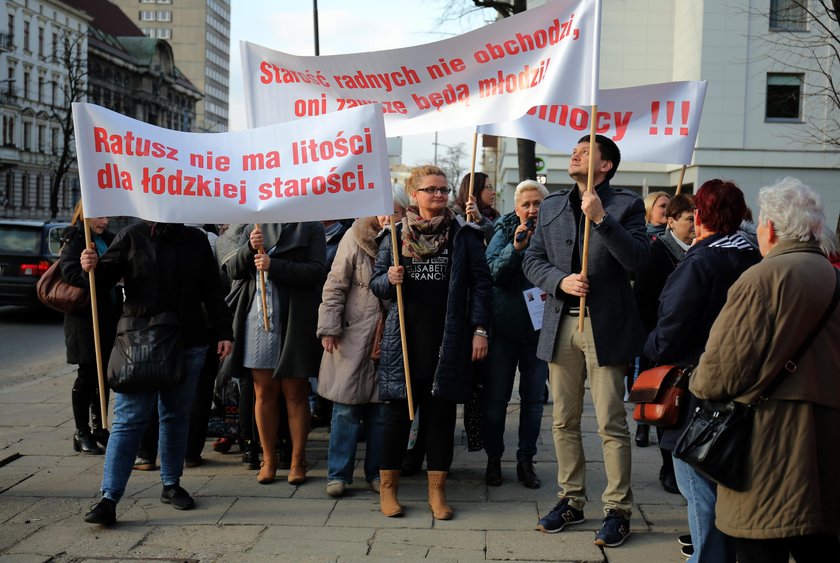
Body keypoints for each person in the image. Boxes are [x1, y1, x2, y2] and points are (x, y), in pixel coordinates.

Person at [690, 178, 840, 563]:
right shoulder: (832, 276)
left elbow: (719, 374)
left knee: (761, 546)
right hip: (825, 442)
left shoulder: (761, 278)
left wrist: (695, 380)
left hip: (767, 447)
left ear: (770, 228)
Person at [523, 134, 649, 547]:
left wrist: (600, 219)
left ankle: (617, 509)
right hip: (561, 323)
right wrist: (559, 281)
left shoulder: (625, 204)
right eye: (574, 150)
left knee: (611, 421)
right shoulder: (554, 205)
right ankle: (571, 499)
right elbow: (532, 259)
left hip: (605, 325)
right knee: (563, 419)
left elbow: (637, 262)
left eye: (584, 151)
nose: (574, 154)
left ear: (606, 166)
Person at [80, 222, 233, 525]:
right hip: (141, 342)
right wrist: (90, 268)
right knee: (128, 419)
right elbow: (101, 284)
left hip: (189, 342)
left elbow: (212, 289)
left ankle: (171, 483)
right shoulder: (131, 236)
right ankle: (109, 497)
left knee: (176, 416)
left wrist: (223, 332)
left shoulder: (196, 239)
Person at [644, 180, 760, 563]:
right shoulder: (755, 255)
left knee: (696, 486)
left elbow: (668, 336)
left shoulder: (700, 261)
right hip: (749, 387)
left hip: (698, 391)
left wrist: (644, 346)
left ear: (700, 216)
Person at [370, 165, 492, 520]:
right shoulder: (393, 236)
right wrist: (387, 278)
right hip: (404, 340)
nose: (438, 195)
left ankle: (436, 493)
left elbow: (481, 285)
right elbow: (375, 283)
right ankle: (388, 490)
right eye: (430, 189)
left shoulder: (464, 235)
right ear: (414, 195)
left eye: (443, 189)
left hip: (448, 338)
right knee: (396, 417)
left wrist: (480, 329)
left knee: (440, 418)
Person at [226, 222, 326, 485]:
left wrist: (274, 265)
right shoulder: (252, 227)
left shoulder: (311, 226)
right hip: (259, 317)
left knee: (295, 391)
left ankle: (297, 459)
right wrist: (249, 247)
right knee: (263, 390)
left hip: (295, 318)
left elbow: (316, 271)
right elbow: (234, 270)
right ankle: (268, 459)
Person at [317, 212, 397, 497]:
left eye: (396, 210)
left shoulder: (407, 240)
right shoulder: (355, 236)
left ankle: (376, 472)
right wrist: (329, 326)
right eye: (385, 210)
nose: (389, 216)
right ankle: (338, 474)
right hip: (353, 333)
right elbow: (336, 282)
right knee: (346, 408)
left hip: (390, 334)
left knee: (381, 411)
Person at [483, 179, 549, 489]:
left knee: (534, 400)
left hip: (538, 331)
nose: (533, 209)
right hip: (505, 329)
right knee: (496, 399)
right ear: (516, 207)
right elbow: (494, 272)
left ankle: (526, 461)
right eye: (527, 204)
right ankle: (494, 459)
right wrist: (516, 246)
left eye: (538, 203)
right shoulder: (504, 229)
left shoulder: (555, 230)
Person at [632, 194, 695, 493]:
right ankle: (668, 468)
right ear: (671, 222)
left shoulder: (699, 251)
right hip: (662, 341)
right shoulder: (657, 252)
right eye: (689, 219)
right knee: (665, 406)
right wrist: (654, 337)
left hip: (691, 345)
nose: (695, 225)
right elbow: (643, 298)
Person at [60, 203, 120, 454]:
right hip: (85, 319)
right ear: (85, 214)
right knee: (87, 374)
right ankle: (81, 431)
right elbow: (69, 273)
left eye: (107, 215)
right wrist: (88, 271)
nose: (104, 221)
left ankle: (100, 428)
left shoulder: (108, 239)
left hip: (108, 317)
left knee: (103, 375)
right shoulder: (75, 238)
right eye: (99, 215)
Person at [453, 171, 500, 244]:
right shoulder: (455, 217)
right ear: (476, 189)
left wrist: (481, 220)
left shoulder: (495, 217)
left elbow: (496, 246)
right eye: (489, 187)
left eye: (492, 187)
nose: (493, 192)